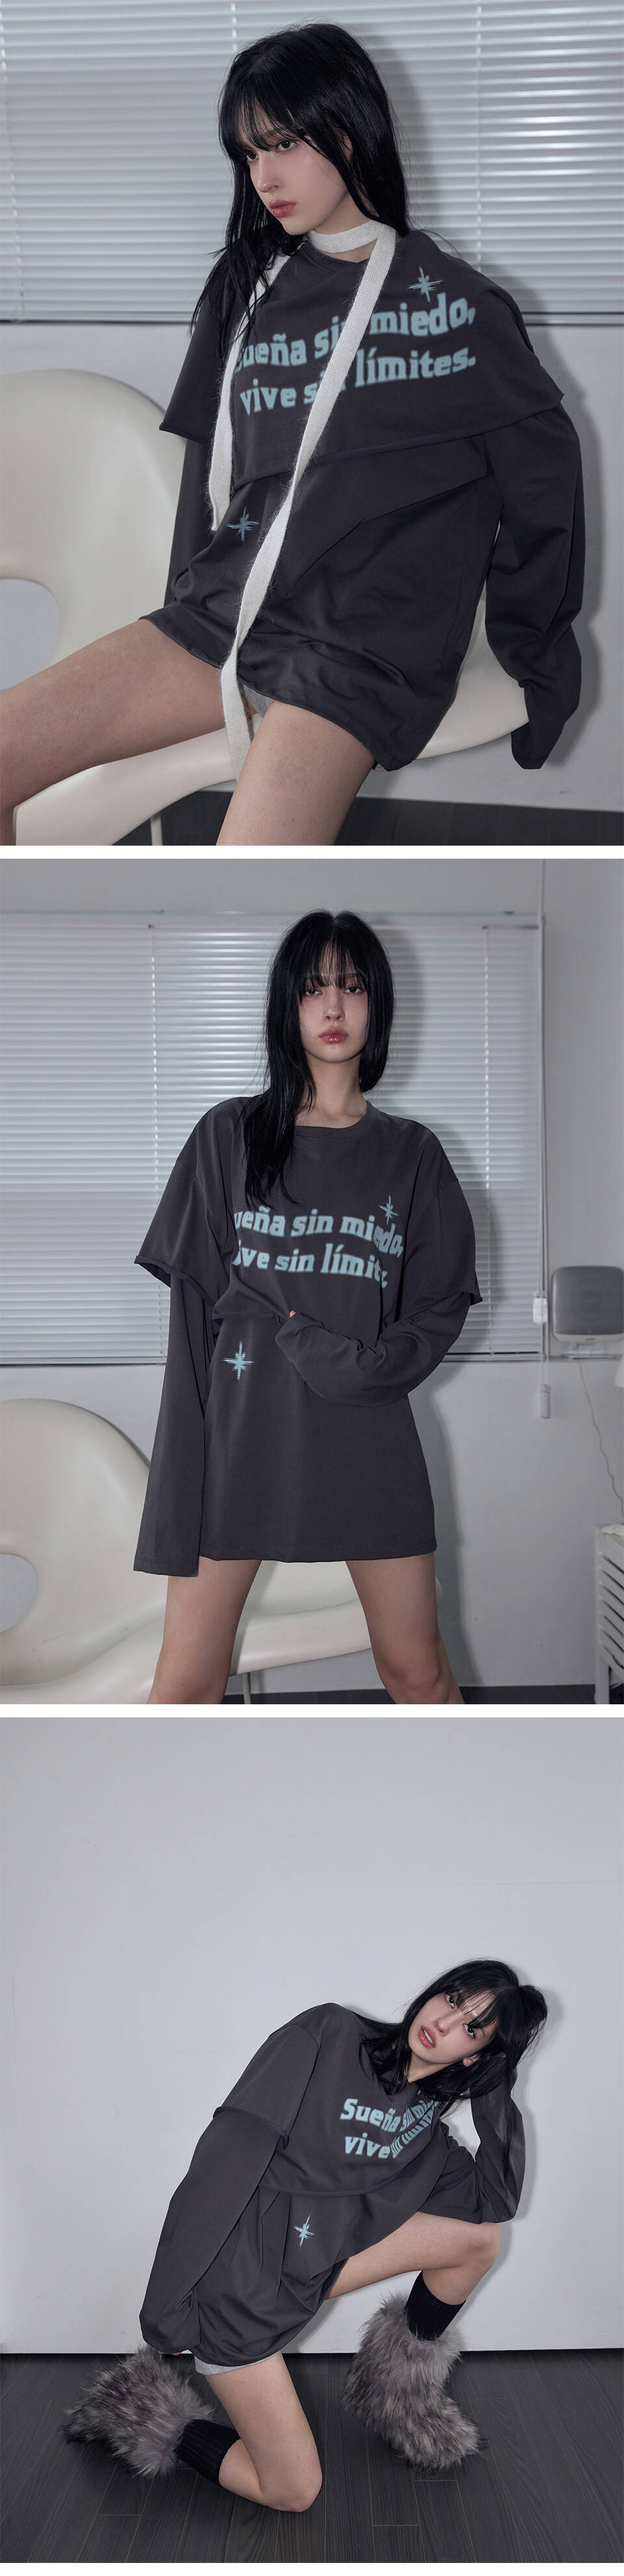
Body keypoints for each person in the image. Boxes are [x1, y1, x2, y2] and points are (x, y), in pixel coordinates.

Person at [1, 23, 584, 850]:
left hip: (363, 644)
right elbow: (209, 476)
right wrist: (184, 607)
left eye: (284, 144)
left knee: (249, 869)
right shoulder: (245, 291)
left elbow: (542, 496)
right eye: (248, 155)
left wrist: (536, 657)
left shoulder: (461, 310)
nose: (264, 178)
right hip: (224, 617)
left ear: (350, 127)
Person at [133, 910, 481, 1704]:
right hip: (240, 1442)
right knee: (184, 1683)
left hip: (367, 1437)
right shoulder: (227, 1137)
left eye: (352, 987)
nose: (332, 1007)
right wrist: (183, 1475)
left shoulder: (412, 1155)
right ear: (286, 1004)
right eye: (313, 987)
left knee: (418, 1672)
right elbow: (191, 1334)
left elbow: (437, 1308)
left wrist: (360, 1365)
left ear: (377, 1004)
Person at [66, 1960, 547, 2509]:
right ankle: (143, 2413)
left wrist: (493, 2086)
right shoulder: (329, 2036)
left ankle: (399, 2393)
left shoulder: (425, 2128)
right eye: (454, 1999)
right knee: (292, 2491)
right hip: (239, 2295)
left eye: (472, 2028)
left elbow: (495, 2202)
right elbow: (221, 2164)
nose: (445, 2020)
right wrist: (165, 2304)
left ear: (476, 2055)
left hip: (311, 2269)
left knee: (480, 2241)